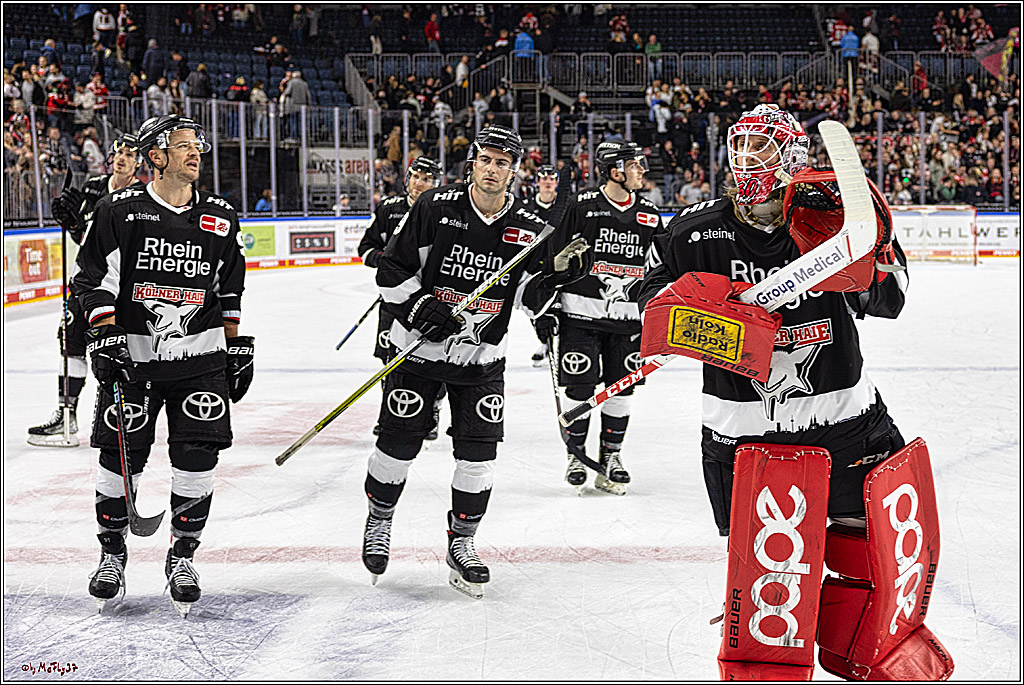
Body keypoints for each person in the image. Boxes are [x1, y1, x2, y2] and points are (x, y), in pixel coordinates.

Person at [637, 104, 951, 678]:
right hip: (744, 436)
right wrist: (695, 308)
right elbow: (647, 301)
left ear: (792, 155)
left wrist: (865, 263)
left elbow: (893, 298)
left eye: (760, 147)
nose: (745, 160)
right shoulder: (692, 230)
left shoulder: (832, 214)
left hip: (846, 420)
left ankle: (869, 652)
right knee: (773, 579)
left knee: (876, 562)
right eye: (740, 147)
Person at [363, 126, 588, 598]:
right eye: (485, 159)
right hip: (417, 353)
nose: (492, 169)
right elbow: (391, 268)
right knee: (397, 446)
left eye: (502, 163)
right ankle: (380, 519)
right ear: (473, 163)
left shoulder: (530, 226)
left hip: (482, 360)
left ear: (514, 170)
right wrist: (421, 306)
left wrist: (561, 277)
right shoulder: (435, 208)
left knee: (479, 455)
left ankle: (462, 541)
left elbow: (530, 294)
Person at [70, 114, 252, 618]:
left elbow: (229, 288)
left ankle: (182, 555)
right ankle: (111, 554)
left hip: (200, 360)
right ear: (156, 156)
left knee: (198, 456)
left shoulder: (219, 215)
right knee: (118, 455)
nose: (197, 153)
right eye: (185, 146)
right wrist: (104, 333)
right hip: (135, 362)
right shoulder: (119, 211)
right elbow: (90, 280)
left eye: (198, 145)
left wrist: (235, 347)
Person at [548, 140, 661, 495]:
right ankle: (576, 455)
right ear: (616, 171)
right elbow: (551, 258)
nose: (642, 170)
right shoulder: (580, 206)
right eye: (635, 164)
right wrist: (547, 303)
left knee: (621, 388)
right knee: (579, 387)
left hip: (628, 320)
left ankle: (611, 455)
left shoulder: (649, 213)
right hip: (579, 316)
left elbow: (659, 269)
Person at [27, 134, 144, 447]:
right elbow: (86, 239)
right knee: (71, 343)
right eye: (118, 151)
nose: (121, 157)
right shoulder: (94, 186)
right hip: (84, 280)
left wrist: (87, 224)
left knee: (115, 348)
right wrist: (73, 222)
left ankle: (121, 415)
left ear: (138, 162)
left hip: (118, 287)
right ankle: (67, 414)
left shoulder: (141, 196)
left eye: (129, 154)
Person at [358, 157, 443, 435]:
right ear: (407, 179)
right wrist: (387, 263)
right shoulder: (389, 209)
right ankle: (390, 412)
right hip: (394, 300)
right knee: (390, 359)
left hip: (433, 301)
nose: (421, 183)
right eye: (417, 176)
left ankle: (432, 406)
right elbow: (366, 249)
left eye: (428, 179)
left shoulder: (445, 211)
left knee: (437, 356)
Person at [523, 164, 560, 366]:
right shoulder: (526, 207)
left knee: (561, 309)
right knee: (536, 307)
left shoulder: (565, 206)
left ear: (556, 183)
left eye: (551, 179)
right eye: (544, 179)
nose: (547, 182)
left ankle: (558, 344)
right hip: (535, 266)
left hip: (560, 265)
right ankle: (545, 342)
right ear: (537, 182)